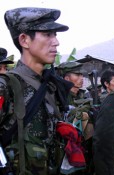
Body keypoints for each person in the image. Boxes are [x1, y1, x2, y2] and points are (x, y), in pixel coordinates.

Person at [0, 7, 73, 174]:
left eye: (55, 35)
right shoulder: (6, 86)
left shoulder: (51, 86)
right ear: (24, 40)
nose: (56, 42)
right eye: (48, 34)